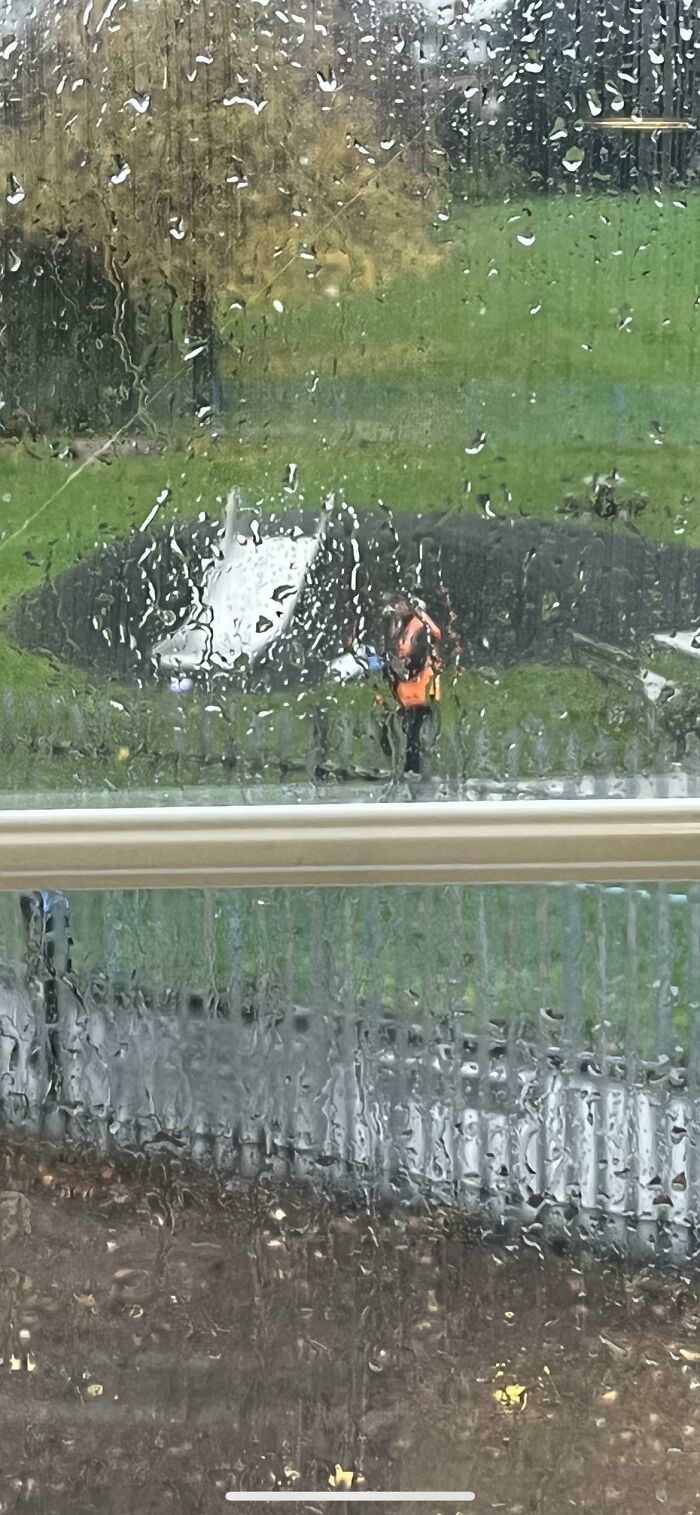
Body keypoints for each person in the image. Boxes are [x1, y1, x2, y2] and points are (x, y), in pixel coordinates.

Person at [381, 595, 443, 777]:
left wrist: (403, 664)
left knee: (414, 731)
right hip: (411, 692)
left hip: (420, 689)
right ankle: (411, 765)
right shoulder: (406, 625)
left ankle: (414, 768)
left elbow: (418, 654)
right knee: (408, 729)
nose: (394, 607)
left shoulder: (419, 626)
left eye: (398, 603)